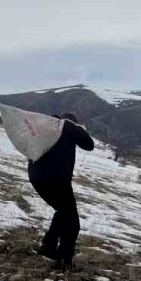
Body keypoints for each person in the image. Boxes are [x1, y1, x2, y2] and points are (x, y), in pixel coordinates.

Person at [28, 112, 94, 271]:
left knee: (65, 215)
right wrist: (77, 127)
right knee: (70, 219)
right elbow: (88, 144)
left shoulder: (46, 128)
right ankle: (53, 249)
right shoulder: (66, 125)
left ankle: (59, 255)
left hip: (37, 177)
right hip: (56, 179)